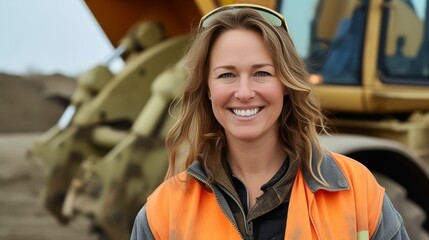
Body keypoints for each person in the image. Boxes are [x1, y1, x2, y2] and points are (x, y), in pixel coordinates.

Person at [131, 4, 409, 240]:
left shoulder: (357, 192)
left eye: (262, 73)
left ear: (286, 83)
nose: (244, 92)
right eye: (226, 75)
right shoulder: (164, 212)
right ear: (207, 88)